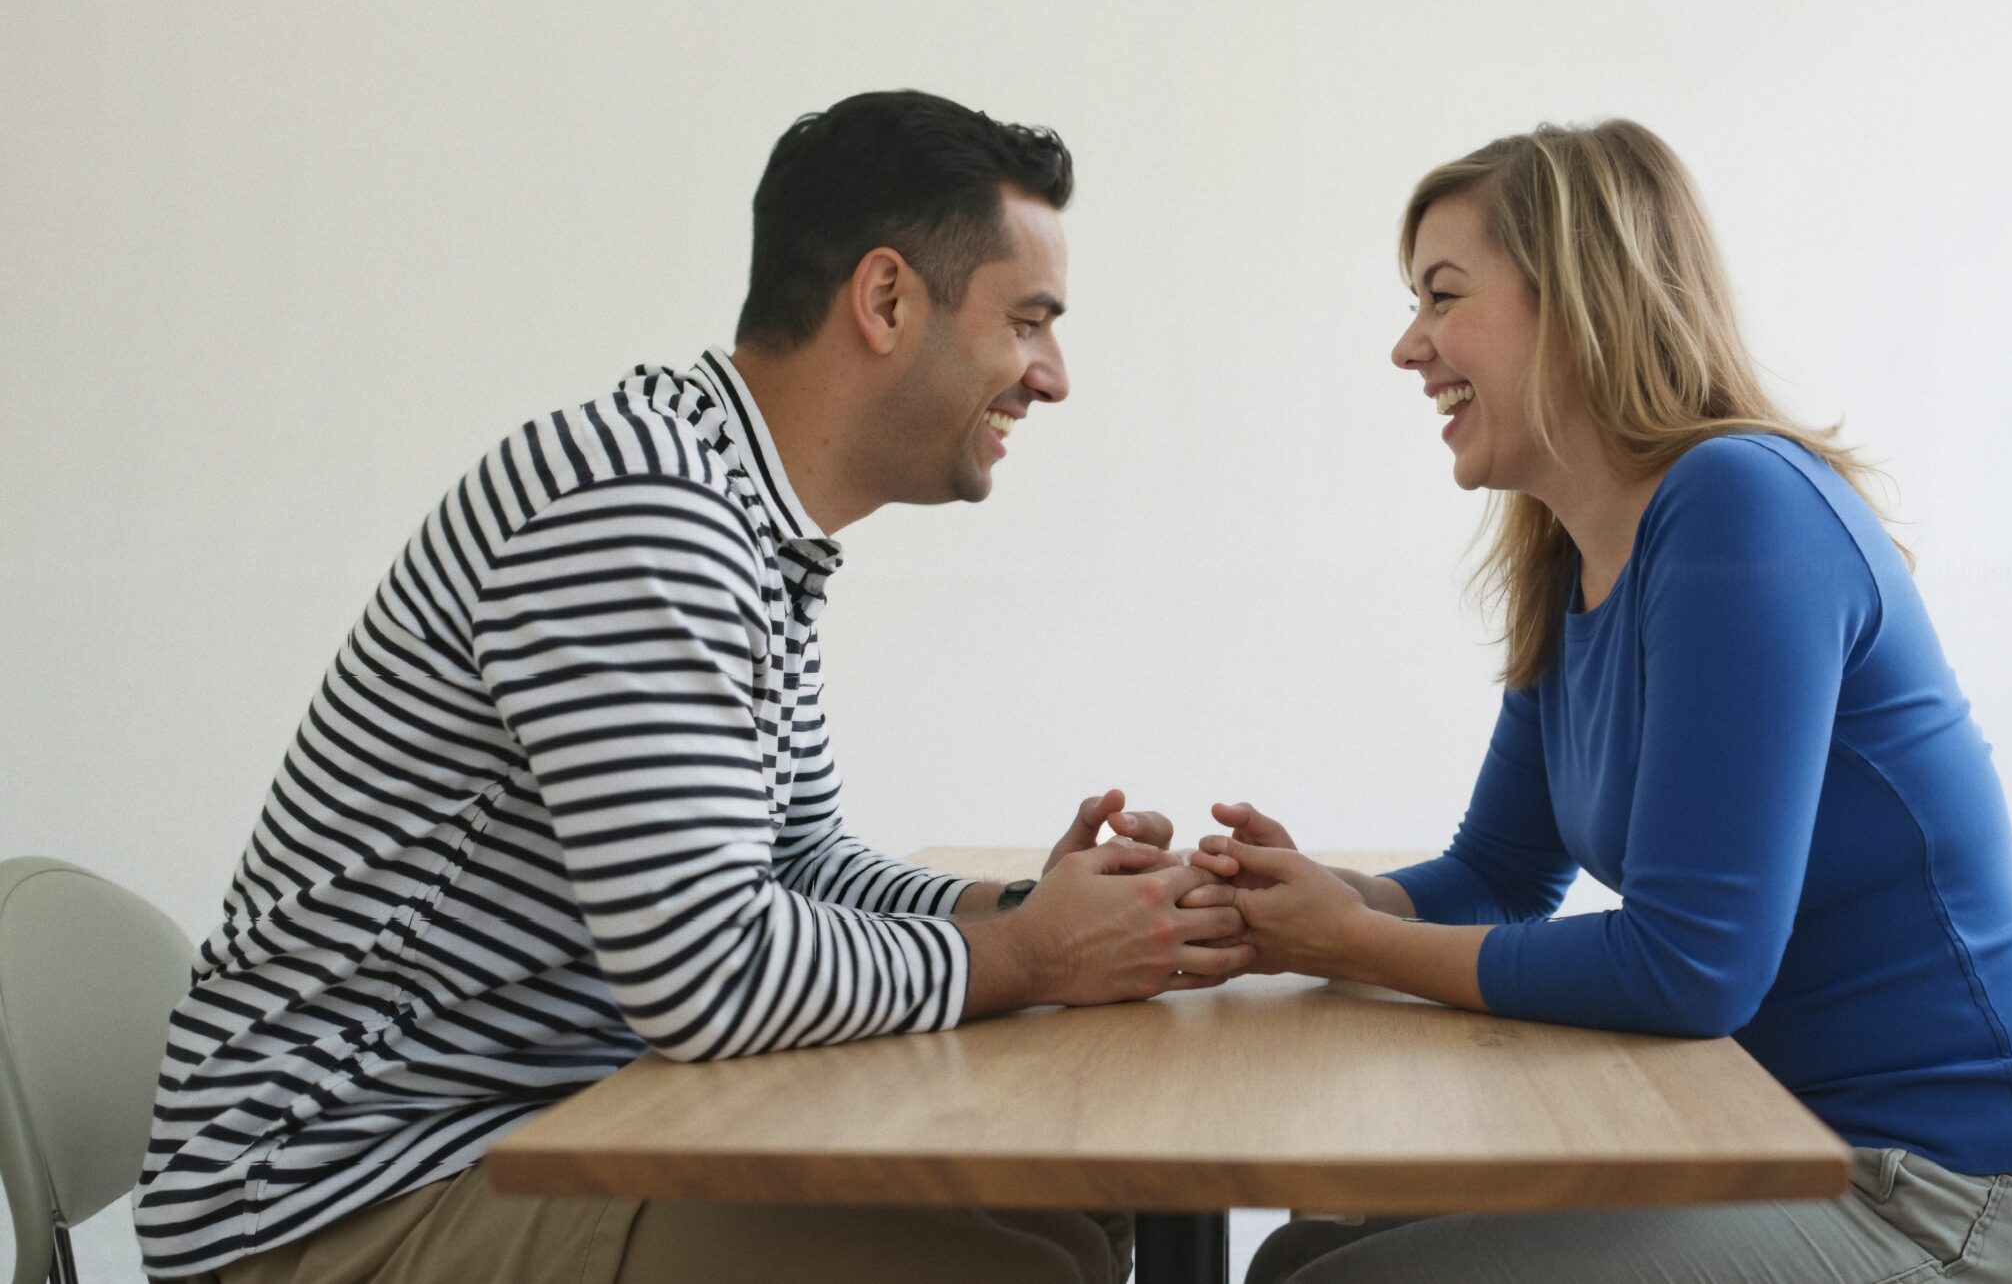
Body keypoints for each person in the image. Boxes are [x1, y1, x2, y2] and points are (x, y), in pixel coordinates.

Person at [137, 90, 1252, 1284]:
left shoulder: (732, 512)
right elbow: (707, 972)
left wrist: (1025, 915)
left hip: (514, 1139)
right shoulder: (639, 512)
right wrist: (1033, 961)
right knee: (1018, 1268)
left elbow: (797, 867)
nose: (1054, 376)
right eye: (1029, 321)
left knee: (1062, 1227)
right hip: (331, 1199)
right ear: (885, 300)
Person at [1187, 120, 2012, 1284]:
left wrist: (1352, 942)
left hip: (1939, 1193)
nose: (1407, 346)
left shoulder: (1741, 508)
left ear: (1573, 303)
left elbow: (1691, 968)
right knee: (1300, 1260)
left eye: (1442, 295)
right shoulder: (1573, 552)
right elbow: (1500, 878)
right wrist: (1307, 904)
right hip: (1773, 1139)